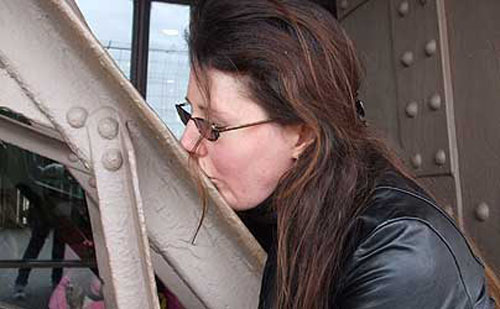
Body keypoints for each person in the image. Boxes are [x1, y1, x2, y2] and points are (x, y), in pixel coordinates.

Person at [177, 0, 499, 308]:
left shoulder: (398, 249)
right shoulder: (292, 204)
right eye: (191, 114)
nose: (186, 142)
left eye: (215, 126)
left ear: (303, 134)